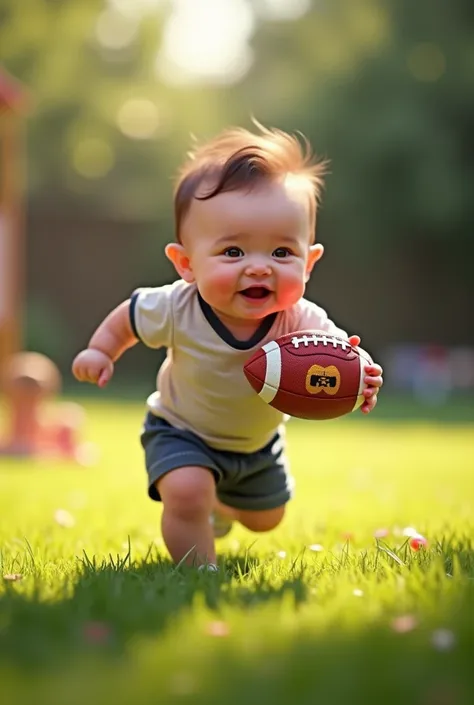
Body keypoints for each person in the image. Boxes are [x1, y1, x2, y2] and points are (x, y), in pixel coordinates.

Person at [72, 123, 383, 569]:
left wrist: (362, 373)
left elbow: (337, 351)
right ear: (186, 264)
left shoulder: (299, 320)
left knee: (265, 520)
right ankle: (200, 572)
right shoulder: (178, 307)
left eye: (281, 253)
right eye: (233, 253)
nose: (259, 269)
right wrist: (101, 350)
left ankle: (220, 506)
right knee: (186, 492)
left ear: (308, 262)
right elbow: (130, 317)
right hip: (182, 428)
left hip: (256, 445)